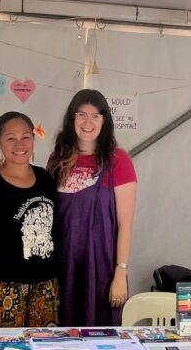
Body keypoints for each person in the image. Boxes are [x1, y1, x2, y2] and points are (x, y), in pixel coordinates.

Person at [48, 89, 138, 326]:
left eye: (95, 116)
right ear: (72, 118)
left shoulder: (118, 161)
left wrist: (120, 273)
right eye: (81, 115)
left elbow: (125, 224)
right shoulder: (57, 159)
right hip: (61, 268)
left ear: (104, 120)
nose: (88, 122)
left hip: (101, 269)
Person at [0, 112, 59, 327]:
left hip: (44, 290)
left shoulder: (46, 180)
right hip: (3, 291)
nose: (19, 144)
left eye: (26, 137)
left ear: (34, 140)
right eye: (11, 138)